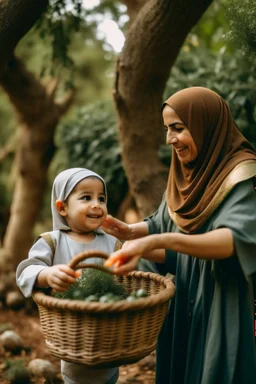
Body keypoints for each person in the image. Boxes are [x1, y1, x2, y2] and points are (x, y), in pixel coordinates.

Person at [102, 87, 256, 384]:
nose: (170, 139)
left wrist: (159, 241)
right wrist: (132, 231)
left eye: (178, 128)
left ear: (204, 125)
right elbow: (166, 222)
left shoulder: (242, 174)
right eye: (167, 129)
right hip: (187, 295)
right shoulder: (190, 172)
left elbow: (234, 240)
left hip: (224, 297)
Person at [16, 167, 121, 384]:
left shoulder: (112, 243)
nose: (96, 204)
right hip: (72, 330)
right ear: (62, 207)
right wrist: (46, 274)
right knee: (77, 375)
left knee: (109, 373)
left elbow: (127, 277)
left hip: (108, 329)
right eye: (86, 197)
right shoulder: (52, 241)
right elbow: (26, 270)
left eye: (101, 198)